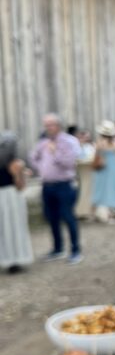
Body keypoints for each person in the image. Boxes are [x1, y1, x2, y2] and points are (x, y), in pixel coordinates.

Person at [30, 113, 83, 265]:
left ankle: (75, 251)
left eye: (50, 125)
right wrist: (41, 167)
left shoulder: (68, 141)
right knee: (52, 218)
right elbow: (33, 156)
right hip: (47, 185)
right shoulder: (43, 142)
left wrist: (56, 153)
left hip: (64, 185)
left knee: (68, 217)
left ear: (58, 125)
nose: (48, 128)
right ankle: (58, 249)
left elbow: (70, 163)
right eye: (46, 125)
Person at [0, 132, 34, 273]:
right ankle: (15, 259)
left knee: (3, 229)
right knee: (15, 227)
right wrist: (21, 174)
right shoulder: (16, 163)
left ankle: (5, 258)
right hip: (12, 196)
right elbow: (20, 186)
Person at [92, 121, 115, 223]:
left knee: (101, 189)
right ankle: (108, 212)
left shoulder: (100, 143)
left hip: (103, 168)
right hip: (113, 168)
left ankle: (102, 213)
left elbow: (96, 154)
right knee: (111, 188)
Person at [75, 131, 95, 219]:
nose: (84, 139)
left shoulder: (90, 147)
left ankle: (88, 210)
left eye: (85, 137)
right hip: (81, 171)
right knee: (82, 190)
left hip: (89, 171)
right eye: (82, 138)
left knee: (88, 190)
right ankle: (81, 211)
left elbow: (93, 157)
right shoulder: (76, 147)